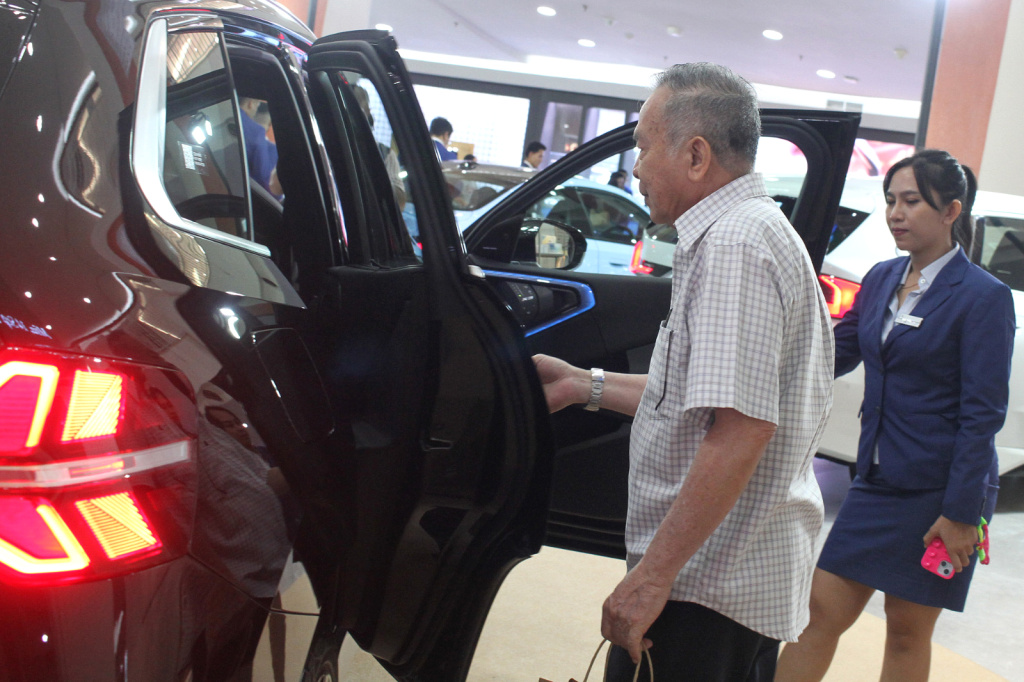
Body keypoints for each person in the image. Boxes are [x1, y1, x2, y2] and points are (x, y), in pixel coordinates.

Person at [532, 63, 833, 681]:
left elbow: (742, 429)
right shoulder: (740, 232)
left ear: (696, 155)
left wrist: (653, 577)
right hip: (722, 578)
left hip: (708, 586)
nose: (635, 167)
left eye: (643, 146)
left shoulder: (735, 247)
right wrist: (582, 384)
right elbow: (698, 399)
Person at [775, 150, 1014, 682]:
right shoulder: (881, 278)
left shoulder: (984, 297)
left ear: (951, 211)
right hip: (876, 483)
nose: (895, 213)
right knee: (818, 614)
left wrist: (960, 514)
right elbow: (836, 352)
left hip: (941, 492)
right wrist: (768, 370)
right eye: (890, 201)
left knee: (907, 632)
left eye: (911, 201)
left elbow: (983, 415)